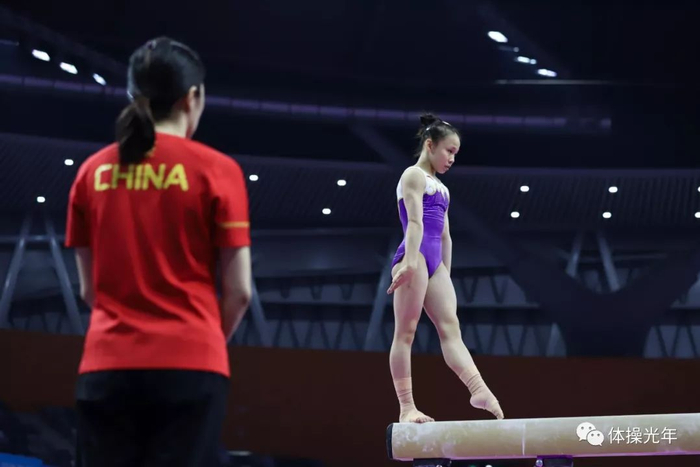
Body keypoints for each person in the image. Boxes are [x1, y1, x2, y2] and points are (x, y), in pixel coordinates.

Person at [65, 37, 252, 466]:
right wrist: (203, 339)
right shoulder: (218, 170)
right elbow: (239, 292)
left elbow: (89, 291)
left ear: (134, 96)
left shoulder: (92, 172)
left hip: (106, 366)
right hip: (191, 366)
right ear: (192, 97)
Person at [387, 114, 504, 423]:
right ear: (430, 145)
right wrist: (410, 262)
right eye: (449, 151)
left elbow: (445, 236)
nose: (452, 158)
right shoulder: (413, 175)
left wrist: (444, 275)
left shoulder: (442, 188)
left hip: (434, 263)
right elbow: (414, 223)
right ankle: (406, 407)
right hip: (413, 256)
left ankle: (478, 389)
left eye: (456, 153)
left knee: (452, 330)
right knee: (406, 333)